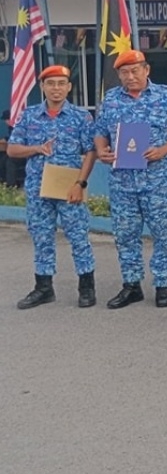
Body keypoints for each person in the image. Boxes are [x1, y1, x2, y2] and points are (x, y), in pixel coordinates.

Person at [94, 49, 167, 309]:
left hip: (157, 180)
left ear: (146, 70)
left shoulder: (166, 96)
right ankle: (131, 285)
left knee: (162, 233)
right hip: (122, 181)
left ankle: (163, 283)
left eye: (135, 70)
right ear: (118, 75)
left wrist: (163, 150)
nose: (130, 76)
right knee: (125, 235)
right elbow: (100, 131)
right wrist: (102, 150)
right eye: (124, 72)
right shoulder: (112, 99)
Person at [8, 65, 98, 309]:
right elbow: (12, 149)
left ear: (69, 87)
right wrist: (37, 148)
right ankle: (43, 287)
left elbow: (91, 150)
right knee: (41, 237)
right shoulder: (29, 116)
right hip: (39, 188)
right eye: (51, 84)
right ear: (43, 87)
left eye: (61, 83)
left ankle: (87, 286)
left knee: (79, 236)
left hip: (70, 186)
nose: (56, 89)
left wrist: (81, 183)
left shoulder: (81, 117)